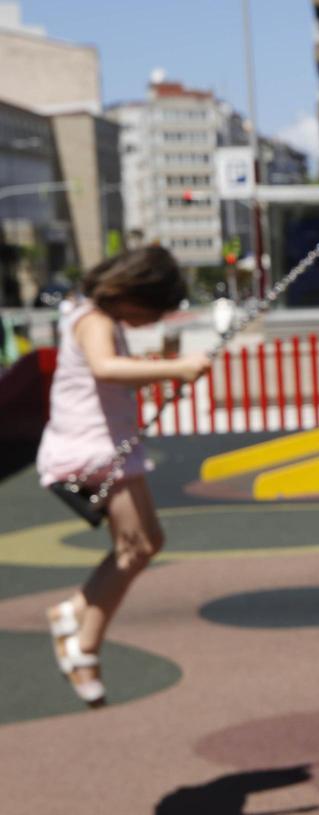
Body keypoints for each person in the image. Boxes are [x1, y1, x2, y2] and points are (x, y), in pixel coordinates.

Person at [38, 246, 210, 707]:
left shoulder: (94, 315)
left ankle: (74, 615)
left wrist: (161, 368)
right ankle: (82, 642)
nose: (152, 320)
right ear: (131, 292)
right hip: (93, 448)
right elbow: (105, 368)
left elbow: (114, 376)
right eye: (152, 311)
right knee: (137, 545)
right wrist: (174, 368)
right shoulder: (94, 319)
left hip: (100, 443)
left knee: (144, 542)